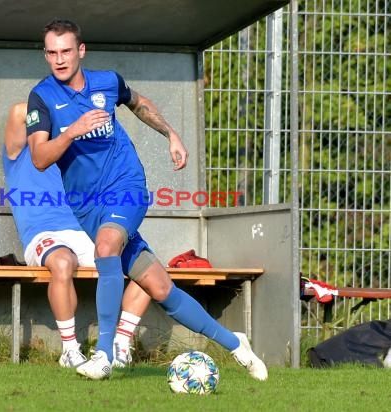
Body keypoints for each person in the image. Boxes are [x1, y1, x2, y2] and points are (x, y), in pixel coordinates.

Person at [26, 18, 268, 381]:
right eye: (52, 52)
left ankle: (104, 355)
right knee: (161, 288)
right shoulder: (42, 96)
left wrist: (172, 135)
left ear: (81, 51)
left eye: (66, 51)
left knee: (107, 245)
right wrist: (72, 132)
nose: (59, 59)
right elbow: (40, 157)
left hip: (127, 185)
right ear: (46, 55)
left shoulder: (107, 82)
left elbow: (139, 104)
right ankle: (235, 344)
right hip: (87, 205)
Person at [3, 102, 150, 368]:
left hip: (86, 230)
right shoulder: (20, 152)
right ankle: (70, 349)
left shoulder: (77, 155)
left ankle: (121, 345)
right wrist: (65, 112)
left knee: (147, 269)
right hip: (44, 233)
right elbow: (18, 112)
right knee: (62, 263)